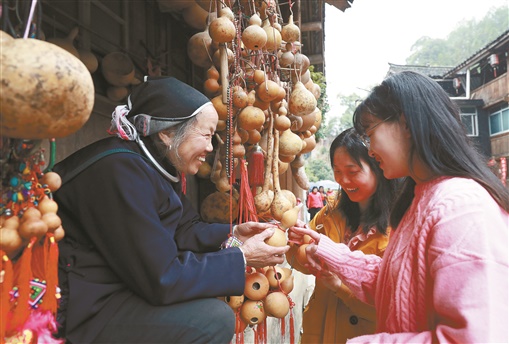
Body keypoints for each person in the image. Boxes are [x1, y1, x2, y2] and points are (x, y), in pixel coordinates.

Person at [53, 76, 289, 343]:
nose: (211, 148)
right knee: (212, 320)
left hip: (121, 283)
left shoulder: (153, 164)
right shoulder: (120, 171)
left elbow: (183, 228)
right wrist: (241, 258)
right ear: (166, 133)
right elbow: (162, 277)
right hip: (84, 306)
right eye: (207, 135)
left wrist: (234, 234)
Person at [289, 71, 509, 343]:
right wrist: (328, 250)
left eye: (371, 133)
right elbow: (397, 284)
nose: (370, 150)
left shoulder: (462, 208)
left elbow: (475, 337)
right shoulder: (421, 200)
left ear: (405, 123)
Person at [288, 128, 400, 343]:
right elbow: (296, 259)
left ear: (378, 168)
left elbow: (390, 307)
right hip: (319, 329)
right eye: (337, 171)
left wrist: (340, 288)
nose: (343, 180)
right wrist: (301, 249)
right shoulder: (331, 211)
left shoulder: (397, 226)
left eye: (352, 171)